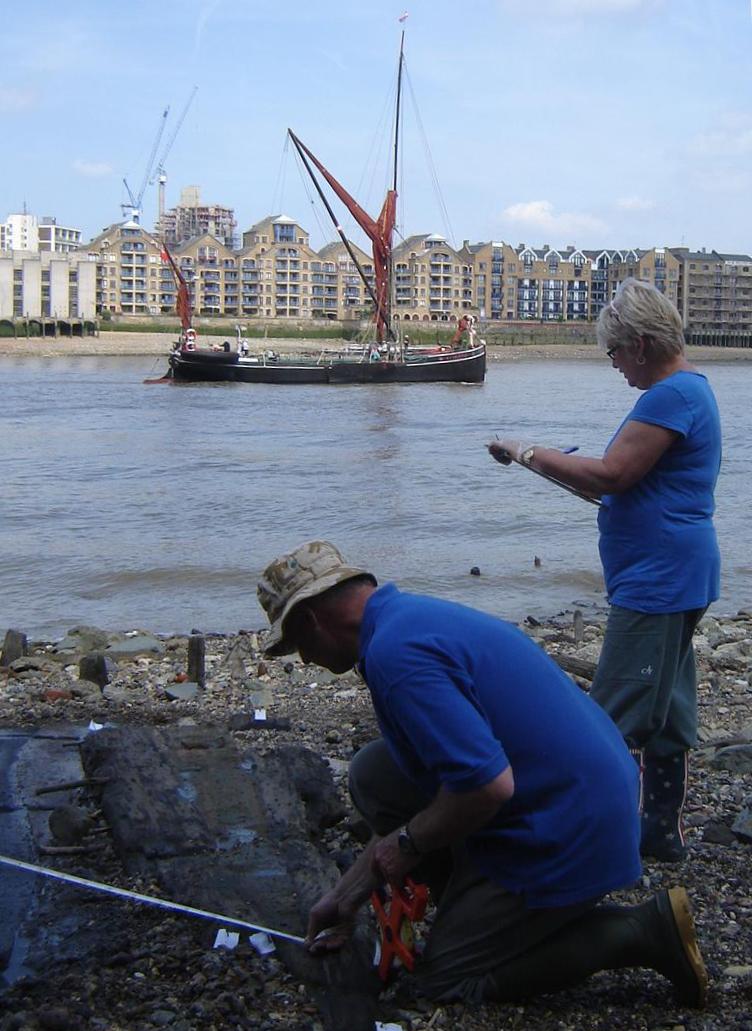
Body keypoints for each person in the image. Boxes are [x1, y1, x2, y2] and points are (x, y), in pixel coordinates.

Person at [256, 539, 708, 1007]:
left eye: (296, 646)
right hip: (576, 793)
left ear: (310, 619)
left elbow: (488, 785)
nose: (304, 660)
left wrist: (407, 842)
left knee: (445, 982)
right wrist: (346, 896)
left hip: (575, 829)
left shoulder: (397, 656)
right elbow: (457, 777)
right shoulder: (407, 619)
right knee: (375, 770)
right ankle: (480, 902)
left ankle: (642, 930)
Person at [488, 278, 721, 863]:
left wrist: (527, 450)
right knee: (665, 706)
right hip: (678, 573)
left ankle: (584, 844)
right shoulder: (692, 392)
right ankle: (659, 835)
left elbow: (615, 476)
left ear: (640, 344)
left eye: (614, 352)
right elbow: (636, 489)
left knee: (611, 717)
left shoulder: (669, 396)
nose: (614, 365)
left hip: (659, 581)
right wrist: (555, 468)